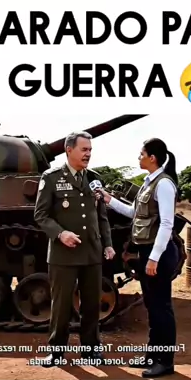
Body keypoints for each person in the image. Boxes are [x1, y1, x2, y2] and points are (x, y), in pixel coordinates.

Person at [34, 130, 115, 366]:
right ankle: (56, 351)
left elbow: (101, 216)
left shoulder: (94, 178)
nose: (88, 154)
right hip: (63, 254)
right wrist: (61, 233)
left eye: (90, 150)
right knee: (61, 306)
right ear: (69, 150)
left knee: (91, 305)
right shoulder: (51, 178)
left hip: (91, 252)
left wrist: (108, 244)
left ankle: (91, 350)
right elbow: (40, 215)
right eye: (84, 149)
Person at [100, 138, 179, 378]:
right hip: (148, 252)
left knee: (161, 308)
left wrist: (154, 258)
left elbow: (167, 224)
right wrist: (109, 200)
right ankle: (152, 356)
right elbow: (135, 213)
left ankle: (165, 361)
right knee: (152, 306)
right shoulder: (149, 183)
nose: (139, 157)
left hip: (159, 253)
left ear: (152, 158)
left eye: (141, 154)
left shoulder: (163, 184)